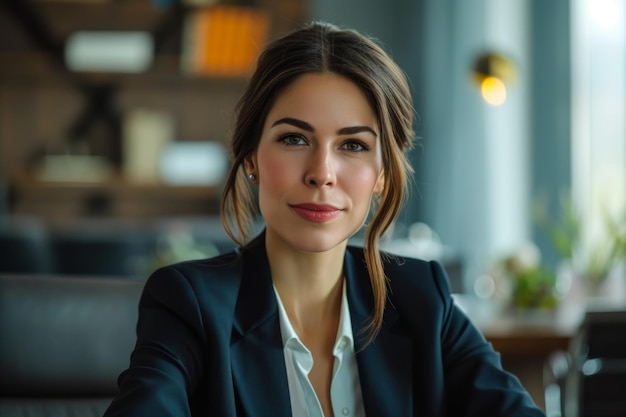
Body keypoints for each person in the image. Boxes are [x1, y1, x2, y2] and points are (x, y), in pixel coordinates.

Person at [104, 21, 546, 417]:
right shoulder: (190, 306)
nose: (322, 173)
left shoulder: (422, 301)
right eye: (294, 138)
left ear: (382, 173)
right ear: (252, 157)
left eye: (352, 145)